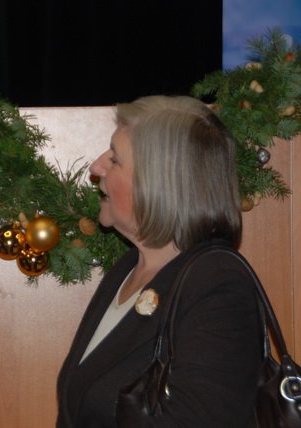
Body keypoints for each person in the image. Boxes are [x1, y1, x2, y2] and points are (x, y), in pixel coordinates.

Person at [56, 95, 263, 427]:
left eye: (115, 159)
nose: (96, 167)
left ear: (157, 183)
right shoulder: (127, 271)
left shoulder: (217, 287)